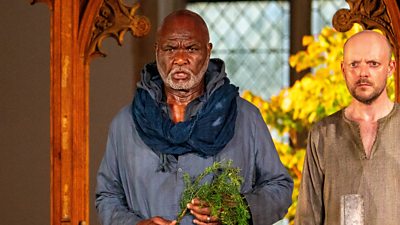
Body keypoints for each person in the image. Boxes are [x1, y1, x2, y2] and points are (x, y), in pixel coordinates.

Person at [95, 9, 293, 225]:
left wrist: (235, 210)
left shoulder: (245, 118)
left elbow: (280, 189)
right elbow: (108, 196)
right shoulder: (126, 123)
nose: (180, 59)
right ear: (157, 51)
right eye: (170, 48)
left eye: (191, 48)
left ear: (208, 52)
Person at [294, 30, 399, 225]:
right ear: (343, 69)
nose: (363, 73)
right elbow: (307, 217)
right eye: (354, 64)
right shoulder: (323, 134)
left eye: (373, 64)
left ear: (390, 67)